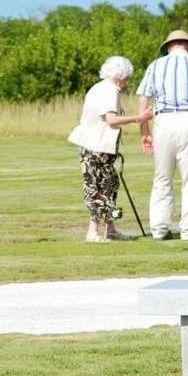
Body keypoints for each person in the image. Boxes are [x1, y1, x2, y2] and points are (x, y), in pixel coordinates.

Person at [136, 29, 188, 241]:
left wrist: (144, 132)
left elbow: (143, 102)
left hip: (163, 121)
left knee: (162, 177)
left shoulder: (155, 65)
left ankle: (159, 229)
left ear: (168, 47)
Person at [68, 56, 154, 242]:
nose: (127, 82)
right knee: (96, 188)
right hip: (95, 147)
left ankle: (110, 229)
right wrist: (140, 118)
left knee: (110, 185)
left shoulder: (99, 87)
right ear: (119, 75)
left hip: (100, 148)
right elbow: (111, 120)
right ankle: (93, 231)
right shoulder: (109, 90)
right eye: (127, 77)